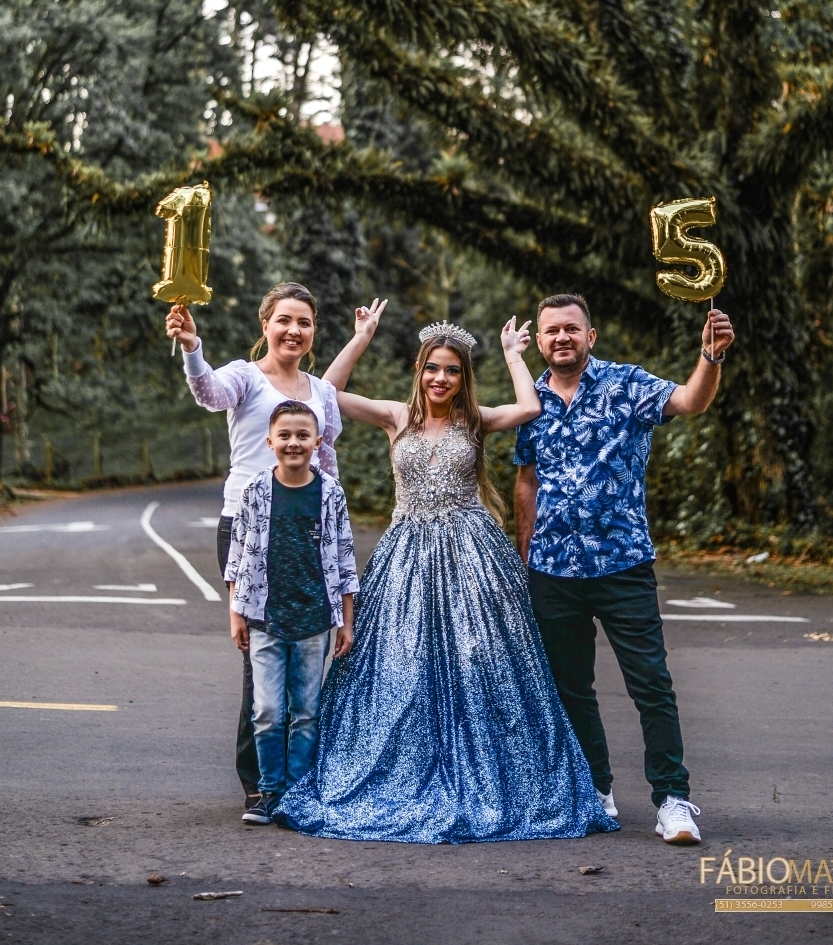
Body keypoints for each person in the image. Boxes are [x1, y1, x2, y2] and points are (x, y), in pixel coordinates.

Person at [277, 307, 618, 843]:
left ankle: (501, 775)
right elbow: (328, 390)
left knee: (481, 665)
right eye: (433, 368)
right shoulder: (395, 417)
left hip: (473, 557)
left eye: (452, 370)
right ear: (420, 371)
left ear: (463, 377)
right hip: (406, 555)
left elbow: (529, 406)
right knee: (401, 669)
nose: (441, 378)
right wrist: (361, 336)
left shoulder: (474, 419)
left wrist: (512, 356)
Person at [514, 293, 736, 845]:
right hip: (553, 570)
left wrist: (710, 357)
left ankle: (673, 800)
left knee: (651, 684)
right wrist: (525, 556)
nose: (561, 338)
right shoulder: (530, 401)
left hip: (623, 565)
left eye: (571, 329)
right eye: (551, 332)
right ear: (539, 342)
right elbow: (527, 481)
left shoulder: (625, 384)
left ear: (591, 335)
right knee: (571, 688)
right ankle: (594, 788)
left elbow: (689, 402)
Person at [166, 281, 347, 820]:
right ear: (265, 324)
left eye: (305, 322)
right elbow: (207, 392)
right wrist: (192, 346)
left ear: (314, 332)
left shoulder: (322, 392)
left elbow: (327, 460)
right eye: (284, 320)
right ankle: (260, 784)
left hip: (306, 530)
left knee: (307, 659)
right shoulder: (245, 377)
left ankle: (302, 780)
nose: (294, 330)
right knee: (261, 660)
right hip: (248, 527)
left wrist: (330, 515)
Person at [224, 400, 359, 824]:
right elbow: (237, 555)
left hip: (315, 619)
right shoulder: (256, 491)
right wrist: (236, 612)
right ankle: (268, 791)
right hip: (264, 616)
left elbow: (344, 559)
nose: (294, 443)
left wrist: (346, 621)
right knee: (266, 711)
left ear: (318, 442)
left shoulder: (330, 493)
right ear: (270, 441)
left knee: (305, 711)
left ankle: (299, 795)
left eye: (303, 436)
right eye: (285, 435)